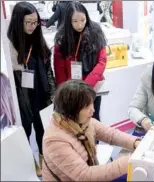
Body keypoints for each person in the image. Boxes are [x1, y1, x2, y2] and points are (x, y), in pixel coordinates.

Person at [42, 80, 141, 181]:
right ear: (71, 109)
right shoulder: (54, 140)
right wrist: (129, 161)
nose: (93, 110)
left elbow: (111, 135)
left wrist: (136, 143)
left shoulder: (82, 121)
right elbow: (85, 176)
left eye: (92, 103)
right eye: (86, 107)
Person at [7, 2, 55, 176]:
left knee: (43, 129)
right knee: (26, 129)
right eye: (28, 22)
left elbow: (48, 70)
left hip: (41, 95)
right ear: (19, 21)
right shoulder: (9, 45)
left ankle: (44, 158)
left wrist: (53, 92)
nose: (32, 26)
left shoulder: (39, 41)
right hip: (23, 97)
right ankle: (30, 160)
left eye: (35, 22)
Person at [54, 2, 107, 121]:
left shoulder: (95, 32)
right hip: (72, 92)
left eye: (83, 20)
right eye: (75, 21)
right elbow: (60, 70)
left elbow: (102, 61)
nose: (80, 25)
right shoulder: (62, 39)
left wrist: (86, 86)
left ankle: (93, 141)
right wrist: (65, 93)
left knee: (93, 120)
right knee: (74, 122)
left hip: (92, 88)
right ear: (69, 21)